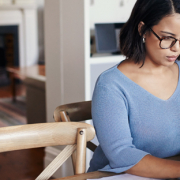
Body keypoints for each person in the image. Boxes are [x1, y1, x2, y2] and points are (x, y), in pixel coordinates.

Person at [88, 0, 180, 179]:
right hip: (119, 175)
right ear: (142, 30)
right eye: (168, 37)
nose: (176, 48)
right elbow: (122, 155)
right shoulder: (111, 84)